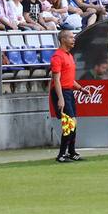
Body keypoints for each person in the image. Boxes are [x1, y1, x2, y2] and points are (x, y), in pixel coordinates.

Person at [48, 29, 81, 162]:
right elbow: (56, 80)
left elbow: (68, 78)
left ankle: (71, 152)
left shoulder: (69, 56)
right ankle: (61, 155)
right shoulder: (57, 57)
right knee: (69, 122)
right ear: (63, 40)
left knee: (73, 122)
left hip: (68, 91)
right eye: (71, 37)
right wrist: (60, 98)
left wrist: (80, 88)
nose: (74, 39)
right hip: (60, 92)